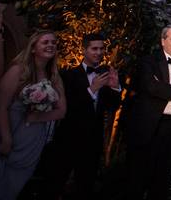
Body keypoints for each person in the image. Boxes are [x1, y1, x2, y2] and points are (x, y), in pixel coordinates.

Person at [39, 32, 120, 200]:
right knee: (55, 184)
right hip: (68, 139)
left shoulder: (105, 75)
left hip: (93, 142)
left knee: (84, 187)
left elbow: (112, 107)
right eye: (94, 48)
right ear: (84, 50)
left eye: (101, 48)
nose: (99, 52)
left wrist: (115, 87)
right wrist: (92, 90)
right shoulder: (68, 76)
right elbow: (66, 108)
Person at [125, 24, 171, 200]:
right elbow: (150, 86)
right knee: (138, 177)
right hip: (149, 127)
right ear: (163, 41)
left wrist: (163, 90)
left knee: (163, 179)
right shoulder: (149, 61)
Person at [0, 30, 67, 200]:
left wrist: (37, 117)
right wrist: (6, 139)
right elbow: (1, 106)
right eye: (45, 42)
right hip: (9, 128)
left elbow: (61, 111)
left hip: (33, 138)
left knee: (13, 185)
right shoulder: (18, 70)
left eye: (54, 43)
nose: (51, 45)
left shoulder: (54, 77)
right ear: (33, 48)